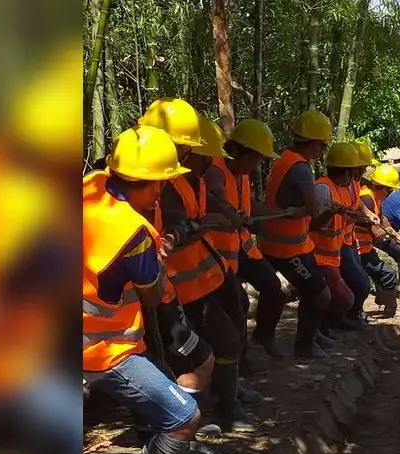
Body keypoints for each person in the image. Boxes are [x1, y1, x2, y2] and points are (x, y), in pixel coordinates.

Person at [83, 126, 205, 454]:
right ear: (148, 182)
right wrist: (154, 258)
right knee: (183, 415)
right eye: (161, 185)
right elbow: (153, 297)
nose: (161, 195)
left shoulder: (90, 187)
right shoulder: (132, 235)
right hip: (101, 348)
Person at [140, 99, 258, 431]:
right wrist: (203, 226)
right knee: (188, 356)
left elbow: (202, 215)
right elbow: (176, 230)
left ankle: (224, 404)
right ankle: (194, 416)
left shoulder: (195, 179)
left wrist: (224, 218)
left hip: (201, 282)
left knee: (224, 343)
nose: (209, 159)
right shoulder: (161, 185)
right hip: (172, 288)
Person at [210, 119, 287, 364]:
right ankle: (239, 359)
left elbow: (249, 203)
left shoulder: (242, 174)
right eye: (257, 157)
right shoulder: (214, 171)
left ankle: (264, 336)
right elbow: (218, 202)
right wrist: (232, 216)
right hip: (217, 254)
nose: (258, 164)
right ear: (240, 151)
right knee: (238, 304)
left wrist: (278, 214)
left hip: (242, 248)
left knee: (274, 288)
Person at [261, 109, 333, 359]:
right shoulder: (301, 169)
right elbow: (316, 212)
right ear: (312, 143)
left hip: (294, 243)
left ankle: (306, 336)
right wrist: (331, 210)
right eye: (322, 145)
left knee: (309, 292)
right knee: (320, 295)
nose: (321, 151)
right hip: (286, 247)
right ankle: (303, 344)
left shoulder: (285, 158)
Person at [313, 142, 371, 331]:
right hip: (322, 256)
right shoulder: (323, 189)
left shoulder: (340, 187)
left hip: (337, 251)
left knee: (354, 288)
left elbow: (350, 208)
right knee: (346, 293)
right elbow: (313, 223)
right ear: (345, 171)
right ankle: (326, 326)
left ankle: (331, 325)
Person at [354, 159, 400, 317]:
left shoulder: (373, 197)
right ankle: (388, 310)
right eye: (391, 190)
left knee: (380, 276)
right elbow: (376, 232)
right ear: (386, 188)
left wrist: (394, 232)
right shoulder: (366, 199)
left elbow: (381, 218)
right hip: (358, 249)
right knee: (387, 274)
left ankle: (382, 301)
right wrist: (390, 236)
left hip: (365, 247)